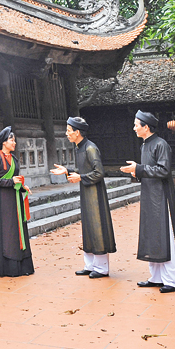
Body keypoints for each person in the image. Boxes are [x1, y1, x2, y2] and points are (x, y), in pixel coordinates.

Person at [120, 110, 175, 293]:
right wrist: (137, 171)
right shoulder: (145, 145)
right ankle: (156, 277)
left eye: (136, 125)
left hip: (161, 197)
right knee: (153, 235)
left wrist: (139, 169)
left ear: (146, 127)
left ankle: (173, 281)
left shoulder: (161, 144)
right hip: (149, 194)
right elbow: (147, 170)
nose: (134, 128)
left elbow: (164, 170)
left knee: (166, 237)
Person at [51, 116, 116, 278]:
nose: (66, 134)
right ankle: (90, 265)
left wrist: (81, 177)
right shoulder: (79, 148)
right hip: (87, 192)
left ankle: (101, 268)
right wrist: (67, 171)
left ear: (77, 132)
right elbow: (84, 170)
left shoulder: (90, 148)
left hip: (95, 194)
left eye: (68, 131)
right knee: (88, 227)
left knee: (97, 226)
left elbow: (99, 172)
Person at [0, 126, 34, 277]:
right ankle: (8, 266)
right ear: (4, 142)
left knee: (18, 228)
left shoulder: (13, 159)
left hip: (16, 198)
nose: (14, 143)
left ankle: (22, 265)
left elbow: (16, 179)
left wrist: (22, 187)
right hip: (4, 199)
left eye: (14, 140)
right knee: (7, 229)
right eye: (11, 140)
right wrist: (10, 182)